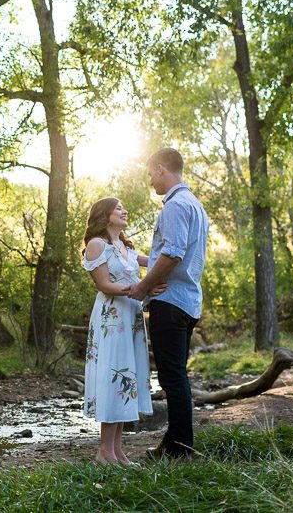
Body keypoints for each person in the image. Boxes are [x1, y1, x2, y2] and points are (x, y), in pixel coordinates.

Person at [128, 147, 209, 461]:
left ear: (161, 169)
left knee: (172, 378)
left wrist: (143, 286)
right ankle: (175, 443)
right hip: (187, 301)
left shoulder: (175, 206)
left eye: (151, 174)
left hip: (170, 302)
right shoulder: (195, 205)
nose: (151, 181)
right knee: (176, 376)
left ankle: (179, 448)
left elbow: (173, 254)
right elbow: (178, 254)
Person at [81, 197, 161, 465]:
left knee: (127, 380)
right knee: (114, 376)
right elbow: (104, 285)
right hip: (112, 319)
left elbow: (155, 262)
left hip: (131, 316)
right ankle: (104, 452)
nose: (124, 211)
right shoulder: (97, 245)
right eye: (118, 208)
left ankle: (116, 451)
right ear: (105, 215)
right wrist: (143, 288)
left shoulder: (125, 247)